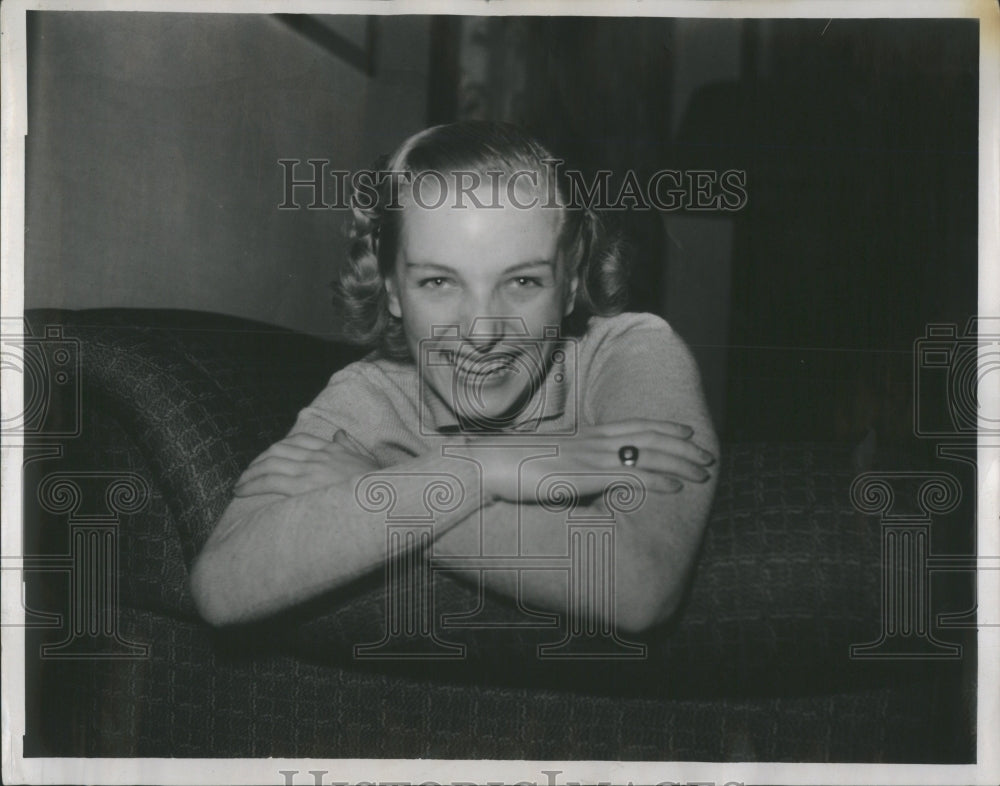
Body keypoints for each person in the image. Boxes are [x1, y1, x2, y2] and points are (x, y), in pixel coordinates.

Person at [189, 121, 718, 635]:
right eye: (439, 281)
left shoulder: (631, 353)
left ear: (572, 280)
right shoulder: (373, 393)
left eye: (523, 281)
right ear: (392, 288)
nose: (483, 330)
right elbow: (221, 586)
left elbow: (638, 584)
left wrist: (375, 489)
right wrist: (482, 469)